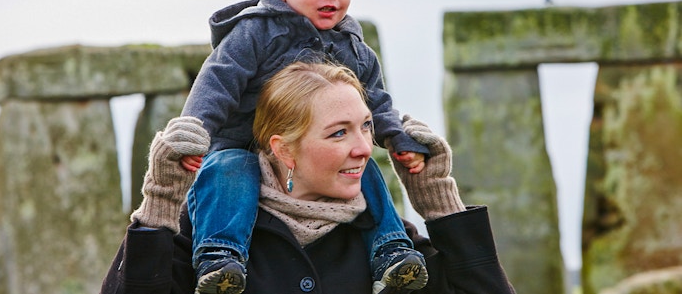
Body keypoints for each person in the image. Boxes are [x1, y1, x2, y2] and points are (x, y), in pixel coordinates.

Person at [169, 0, 430, 294]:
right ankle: (220, 258)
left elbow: (377, 100)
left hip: (308, 151)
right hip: (241, 142)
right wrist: (194, 135)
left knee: (366, 168)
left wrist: (398, 139)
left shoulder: (353, 48)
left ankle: (391, 250)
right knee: (227, 170)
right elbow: (217, 84)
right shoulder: (255, 32)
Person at [101, 61, 516, 294]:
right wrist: (159, 209)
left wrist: (441, 206)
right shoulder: (209, 235)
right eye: (339, 132)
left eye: (366, 126)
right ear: (283, 149)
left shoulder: (388, 243)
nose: (363, 148)